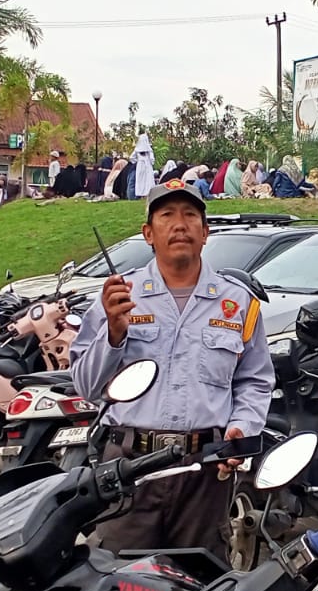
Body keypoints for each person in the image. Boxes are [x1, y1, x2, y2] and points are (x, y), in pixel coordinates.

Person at [68, 178, 274, 555]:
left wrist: (242, 430)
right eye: (167, 215)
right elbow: (86, 386)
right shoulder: (119, 297)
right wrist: (113, 333)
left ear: (205, 232)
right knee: (117, 579)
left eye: (190, 215)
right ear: (148, 233)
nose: (180, 225)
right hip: (129, 468)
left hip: (205, 471)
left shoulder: (239, 304)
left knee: (198, 583)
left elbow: (255, 382)